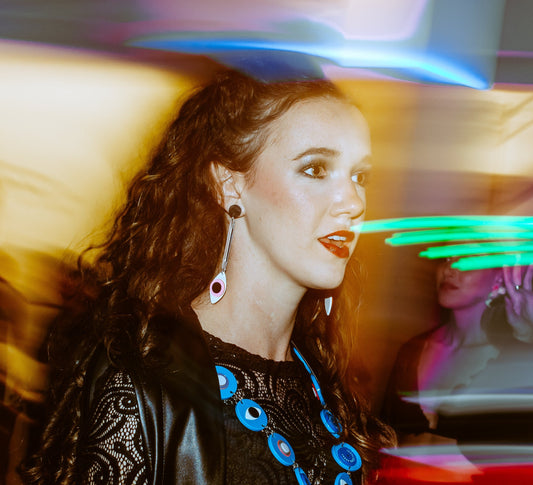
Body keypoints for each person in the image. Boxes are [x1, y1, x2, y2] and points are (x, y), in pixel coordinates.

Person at [21, 69, 395, 485]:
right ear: (229, 185)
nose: (352, 203)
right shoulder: (144, 380)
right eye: (316, 169)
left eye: (360, 176)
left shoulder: (326, 382)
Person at [382, 257, 533, 452]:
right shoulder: (412, 351)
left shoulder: (516, 359)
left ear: (498, 277)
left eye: (466, 257)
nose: (449, 269)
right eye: (446, 258)